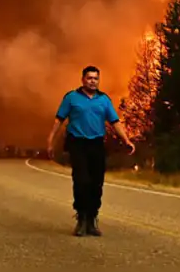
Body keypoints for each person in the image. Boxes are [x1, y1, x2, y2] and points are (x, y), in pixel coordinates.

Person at [47, 65, 135, 237]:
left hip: (96, 144)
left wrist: (126, 140)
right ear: (83, 80)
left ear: (98, 81)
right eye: (89, 78)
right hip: (77, 143)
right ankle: (81, 218)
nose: (92, 81)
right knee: (81, 180)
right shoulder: (71, 98)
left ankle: (92, 219)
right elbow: (59, 120)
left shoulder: (104, 100)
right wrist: (50, 140)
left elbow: (115, 122)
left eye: (95, 78)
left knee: (96, 183)